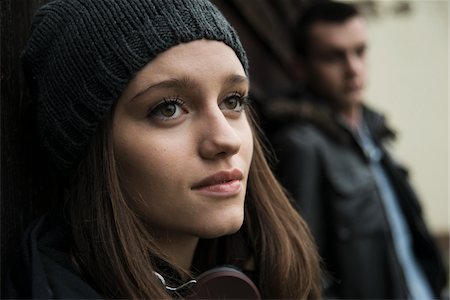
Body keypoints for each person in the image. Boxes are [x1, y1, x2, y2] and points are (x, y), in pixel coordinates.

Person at [3, 0, 322, 299]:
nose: (226, 139)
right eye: (168, 108)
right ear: (90, 147)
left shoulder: (263, 275)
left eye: (233, 101)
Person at [268, 1, 447, 299]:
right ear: (300, 68)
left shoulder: (375, 133)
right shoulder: (302, 145)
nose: (352, 68)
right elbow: (305, 272)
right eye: (333, 57)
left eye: (360, 51)